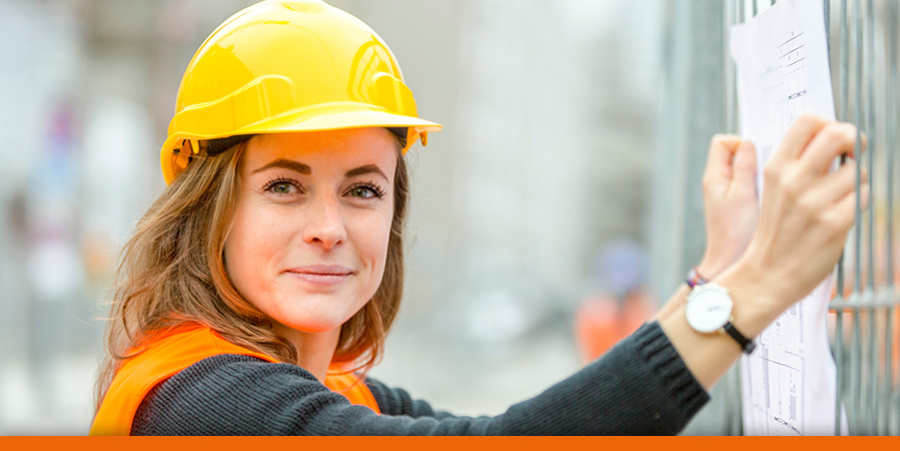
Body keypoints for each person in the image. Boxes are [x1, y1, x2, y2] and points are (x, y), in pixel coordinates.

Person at [90, 0, 868, 435]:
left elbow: (530, 425)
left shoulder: (334, 391)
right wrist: (756, 290)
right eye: (285, 186)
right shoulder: (201, 402)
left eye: (363, 189)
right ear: (207, 210)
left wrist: (717, 280)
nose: (330, 225)